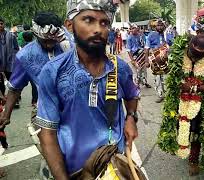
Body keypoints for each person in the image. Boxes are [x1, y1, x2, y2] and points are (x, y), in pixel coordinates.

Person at [34, 0, 140, 178]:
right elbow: (48, 134)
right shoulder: (53, 71)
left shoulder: (119, 68)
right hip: (75, 169)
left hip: (115, 161)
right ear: (69, 25)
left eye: (104, 22)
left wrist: (131, 117)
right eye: (88, 20)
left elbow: (132, 95)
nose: (98, 29)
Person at [0, 11, 67, 179]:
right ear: (37, 33)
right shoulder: (25, 56)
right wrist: (5, 115)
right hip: (45, 113)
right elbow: (15, 88)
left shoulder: (70, 45)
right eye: (46, 39)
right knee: (54, 161)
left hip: (76, 109)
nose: (51, 42)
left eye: (54, 38)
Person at [158, 34, 204, 176]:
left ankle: (194, 160)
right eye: (193, 54)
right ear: (189, 46)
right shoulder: (177, 52)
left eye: (200, 55)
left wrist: (195, 88)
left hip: (201, 102)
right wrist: (163, 58)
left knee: (197, 131)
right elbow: (159, 68)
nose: (195, 58)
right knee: (179, 126)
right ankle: (180, 145)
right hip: (179, 100)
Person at [145, 19, 167, 103]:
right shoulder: (151, 35)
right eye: (158, 25)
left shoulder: (167, 34)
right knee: (157, 78)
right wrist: (146, 61)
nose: (160, 27)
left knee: (165, 78)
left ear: (164, 26)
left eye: (161, 25)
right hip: (155, 60)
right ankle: (160, 95)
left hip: (166, 60)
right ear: (155, 26)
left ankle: (166, 94)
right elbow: (146, 48)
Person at [0, 17, 19, 101]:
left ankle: (15, 99)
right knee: (0, 83)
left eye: (1, 23)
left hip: (10, 63)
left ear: (4, 24)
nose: (0, 25)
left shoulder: (11, 36)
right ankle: (2, 98)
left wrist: (13, 59)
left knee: (12, 81)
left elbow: (16, 48)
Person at [127, 24, 151, 88]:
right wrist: (132, 60)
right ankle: (136, 84)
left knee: (144, 69)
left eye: (135, 28)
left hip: (142, 54)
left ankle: (145, 82)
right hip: (134, 55)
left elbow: (144, 45)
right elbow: (129, 50)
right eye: (133, 28)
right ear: (131, 29)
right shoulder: (129, 38)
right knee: (136, 71)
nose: (134, 30)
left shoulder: (140, 36)